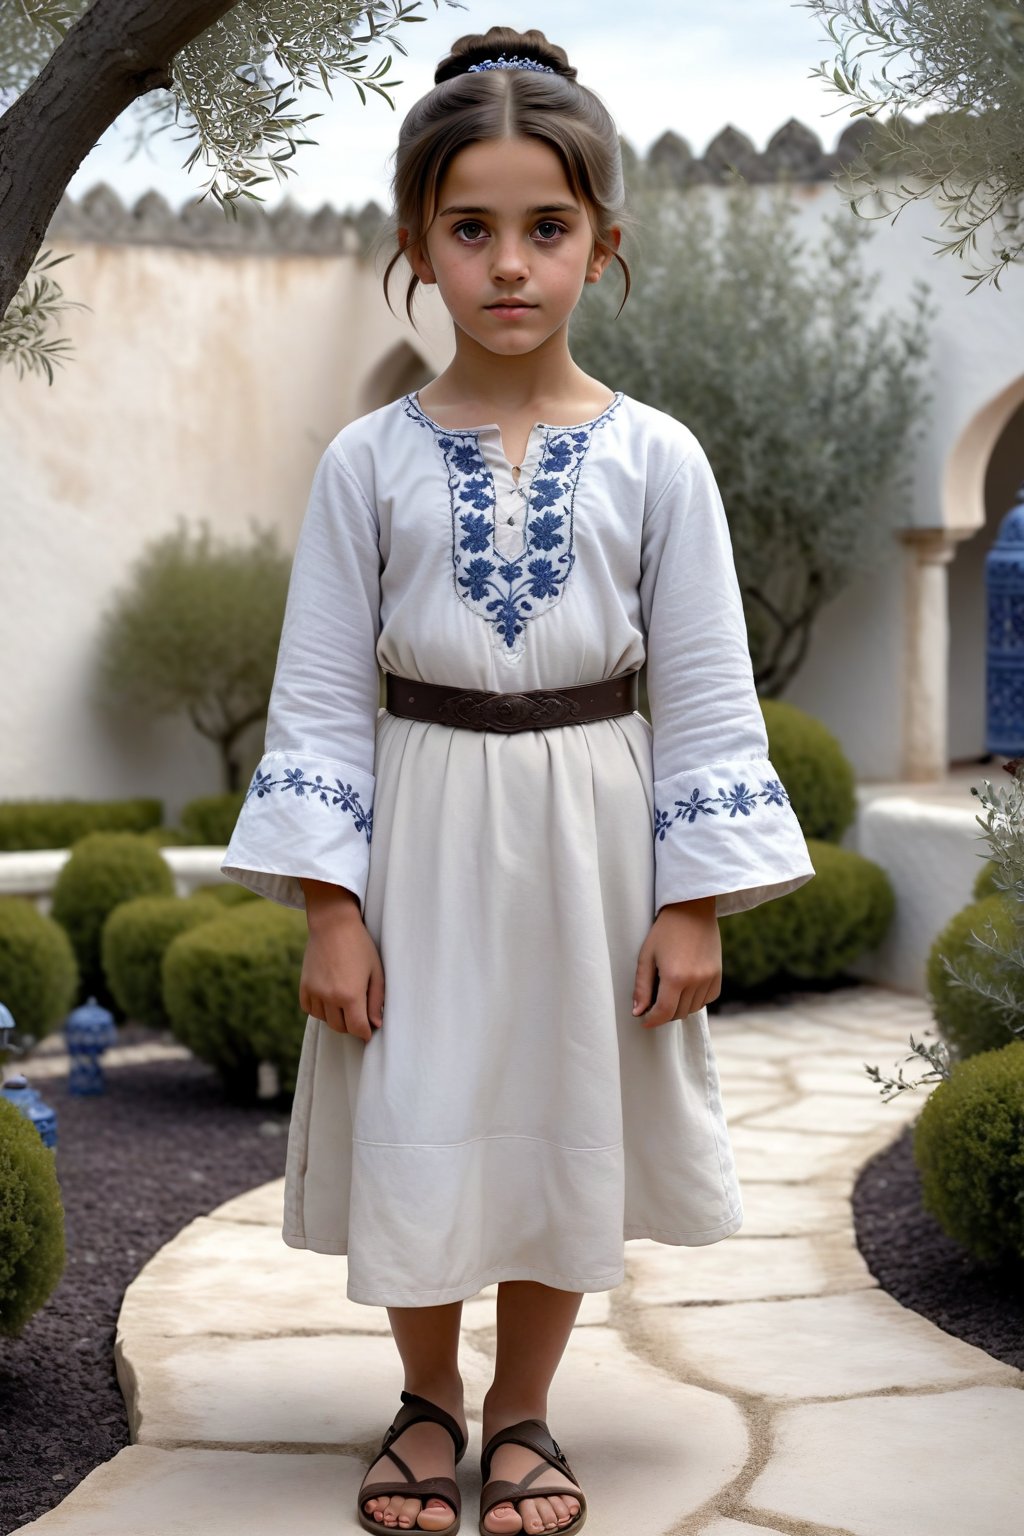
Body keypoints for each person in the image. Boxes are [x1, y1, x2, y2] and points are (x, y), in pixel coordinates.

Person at [221, 24, 815, 1536]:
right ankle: (426, 1401)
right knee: (423, 1105)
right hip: (417, 829)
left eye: (545, 229)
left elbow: (700, 688)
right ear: (416, 244)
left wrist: (695, 905)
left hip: (593, 839)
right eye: (470, 230)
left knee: (563, 1113)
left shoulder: (659, 459)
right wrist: (328, 907)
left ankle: (524, 1408)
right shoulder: (366, 461)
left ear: (603, 246)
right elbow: (316, 694)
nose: (508, 265)